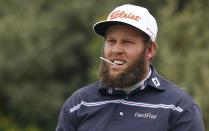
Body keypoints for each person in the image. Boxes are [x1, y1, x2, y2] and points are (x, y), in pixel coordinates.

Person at [56, 4, 205, 131]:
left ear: (150, 50)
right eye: (111, 41)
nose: (116, 50)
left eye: (127, 42)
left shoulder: (179, 107)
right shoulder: (79, 104)